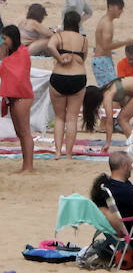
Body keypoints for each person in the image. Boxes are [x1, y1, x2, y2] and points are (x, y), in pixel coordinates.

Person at [46, 10, 88, 160]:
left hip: (59, 76)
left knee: (59, 117)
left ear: (64, 22)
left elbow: (50, 46)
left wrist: (60, 59)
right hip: (78, 78)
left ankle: (58, 152)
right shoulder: (83, 40)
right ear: (78, 23)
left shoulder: (58, 36)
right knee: (72, 118)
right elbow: (83, 59)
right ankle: (69, 154)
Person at [0, 26, 34, 172]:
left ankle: (29, 166)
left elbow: (18, 75)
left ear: (12, 38)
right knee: (20, 133)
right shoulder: (10, 53)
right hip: (13, 96)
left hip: (22, 96)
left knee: (25, 132)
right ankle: (25, 164)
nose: (3, 41)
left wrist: (4, 59)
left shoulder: (23, 52)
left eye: (5, 38)